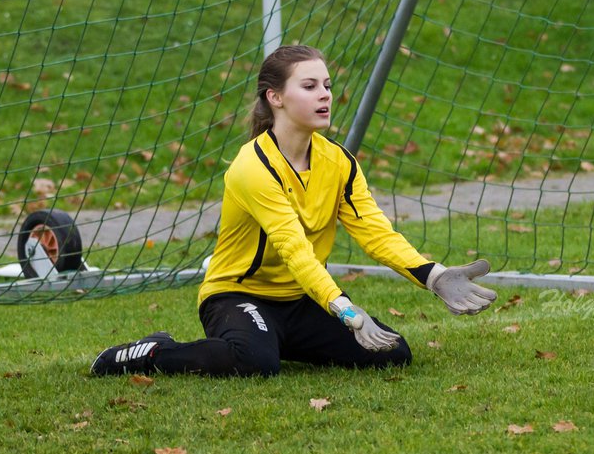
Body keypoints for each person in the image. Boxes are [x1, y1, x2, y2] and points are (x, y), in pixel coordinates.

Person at [90, 44, 496, 377]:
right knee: (254, 363)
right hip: (237, 296)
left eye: (327, 85)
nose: (325, 95)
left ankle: (271, 338)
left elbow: (376, 232)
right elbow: (293, 248)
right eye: (309, 86)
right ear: (276, 97)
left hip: (302, 299)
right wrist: (346, 309)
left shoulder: (340, 162)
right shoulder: (252, 166)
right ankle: (151, 353)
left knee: (393, 353)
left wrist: (433, 275)